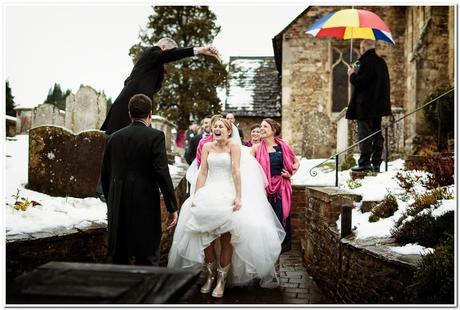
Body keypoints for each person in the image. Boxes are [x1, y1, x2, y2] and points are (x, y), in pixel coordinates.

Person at [168, 118, 285, 297]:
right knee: (203, 234)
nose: (217, 128)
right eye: (215, 126)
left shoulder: (234, 147)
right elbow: (203, 172)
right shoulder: (207, 147)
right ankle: (209, 275)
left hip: (228, 193)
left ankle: (221, 281)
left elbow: (236, 171)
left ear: (229, 131)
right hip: (209, 192)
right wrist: (197, 194)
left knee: (226, 239)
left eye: (221, 126)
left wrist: (238, 196)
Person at [101, 94, 178, 266]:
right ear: (150, 113)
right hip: (145, 203)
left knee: (120, 257)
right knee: (147, 255)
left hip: (118, 204)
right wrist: (172, 207)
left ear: (130, 113)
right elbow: (162, 173)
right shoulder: (155, 137)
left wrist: (110, 203)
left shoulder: (113, 138)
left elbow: (105, 175)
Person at [100, 38, 220, 135]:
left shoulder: (151, 65)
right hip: (128, 107)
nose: (169, 58)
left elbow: (130, 81)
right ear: (162, 47)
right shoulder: (152, 51)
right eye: (169, 52)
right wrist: (199, 50)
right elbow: (171, 55)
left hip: (140, 108)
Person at [251, 118, 299, 276]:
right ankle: (263, 261)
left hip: (280, 191)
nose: (262, 128)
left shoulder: (283, 146)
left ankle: (276, 262)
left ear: (273, 129)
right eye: (261, 126)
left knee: (279, 225)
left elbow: (296, 162)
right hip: (263, 192)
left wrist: (290, 172)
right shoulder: (256, 148)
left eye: (265, 126)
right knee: (264, 227)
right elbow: (246, 167)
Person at [346, 39, 391, 173]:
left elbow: (361, 82)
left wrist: (352, 74)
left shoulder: (366, 62)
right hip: (378, 106)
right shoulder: (381, 62)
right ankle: (376, 163)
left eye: (361, 47)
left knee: (364, 134)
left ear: (364, 48)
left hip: (365, 106)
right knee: (377, 134)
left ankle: (365, 163)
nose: (360, 50)